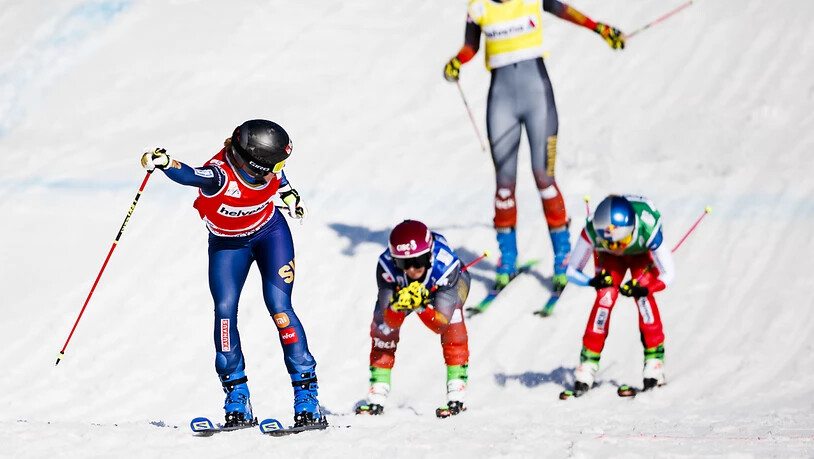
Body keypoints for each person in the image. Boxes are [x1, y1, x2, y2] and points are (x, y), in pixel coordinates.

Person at [140, 119, 326, 428]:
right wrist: (164, 162)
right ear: (255, 161)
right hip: (228, 246)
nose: (278, 168)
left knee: (280, 308)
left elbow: (278, 176)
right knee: (225, 313)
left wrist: (290, 193)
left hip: (270, 235)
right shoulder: (220, 175)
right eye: (274, 163)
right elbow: (189, 175)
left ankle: (307, 396)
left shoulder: (266, 167)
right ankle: (237, 396)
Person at [443, 0, 626, 292]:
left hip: (537, 96)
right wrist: (457, 61)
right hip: (502, 99)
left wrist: (601, 29)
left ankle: (563, 257)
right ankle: (508, 259)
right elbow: (471, 46)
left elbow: (563, 10)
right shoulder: (478, 6)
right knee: (504, 184)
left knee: (544, 176)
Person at [355, 220, 472, 418]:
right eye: (403, 263)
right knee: (381, 327)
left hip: (447, 284)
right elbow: (389, 321)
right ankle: (378, 394)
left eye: (418, 262)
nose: (411, 269)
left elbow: (440, 325)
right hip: (406, 294)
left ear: (430, 255)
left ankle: (456, 392)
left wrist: (421, 307)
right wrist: (397, 307)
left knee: (454, 322)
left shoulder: (446, 265)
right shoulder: (386, 266)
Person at [564, 194, 675, 396]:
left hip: (641, 256)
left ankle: (654, 362)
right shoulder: (593, 230)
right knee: (605, 297)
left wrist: (646, 288)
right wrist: (592, 281)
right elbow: (571, 271)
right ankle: (587, 364)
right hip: (609, 261)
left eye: (621, 241)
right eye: (610, 243)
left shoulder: (647, 228)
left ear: (631, 230)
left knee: (642, 297)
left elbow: (670, 273)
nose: (617, 248)